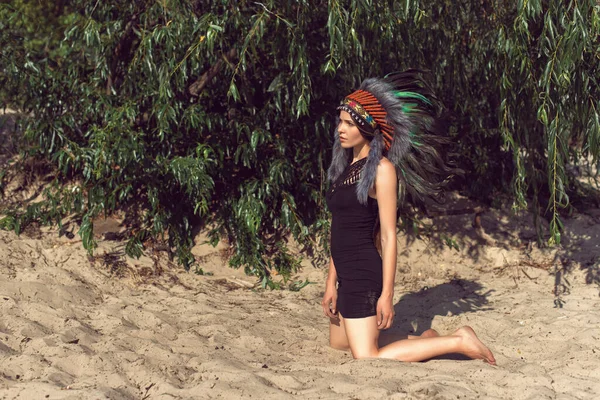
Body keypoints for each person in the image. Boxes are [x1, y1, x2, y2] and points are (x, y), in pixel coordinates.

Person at [322, 70, 496, 364]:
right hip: (345, 273)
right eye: (340, 121)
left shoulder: (382, 170)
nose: (341, 128)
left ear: (366, 128)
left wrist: (387, 294)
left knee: (366, 355)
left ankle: (460, 340)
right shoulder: (343, 169)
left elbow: (388, 236)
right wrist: (330, 282)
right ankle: (426, 340)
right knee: (339, 343)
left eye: (349, 123)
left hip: (365, 272)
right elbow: (338, 228)